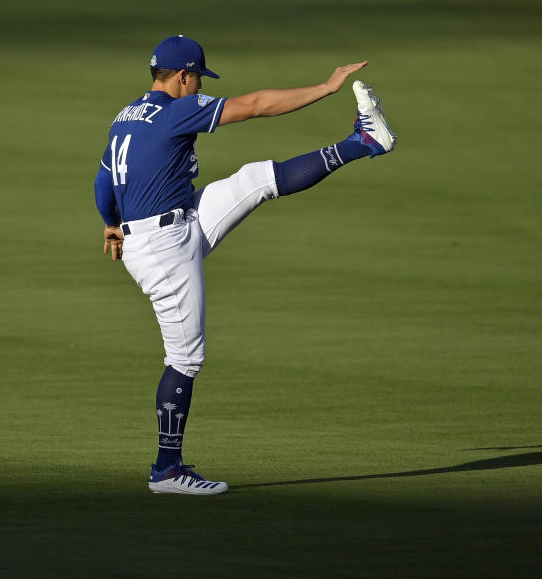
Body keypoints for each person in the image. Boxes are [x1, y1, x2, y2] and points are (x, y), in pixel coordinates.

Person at [94, 35, 396, 495]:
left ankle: (364, 140)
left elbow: (103, 181)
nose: (199, 87)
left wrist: (111, 222)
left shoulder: (125, 116)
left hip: (180, 222)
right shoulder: (178, 109)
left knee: (254, 178)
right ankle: (167, 470)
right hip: (163, 250)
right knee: (185, 357)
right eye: (197, 79)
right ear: (182, 76)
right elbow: (254, 105)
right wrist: (326, 88)